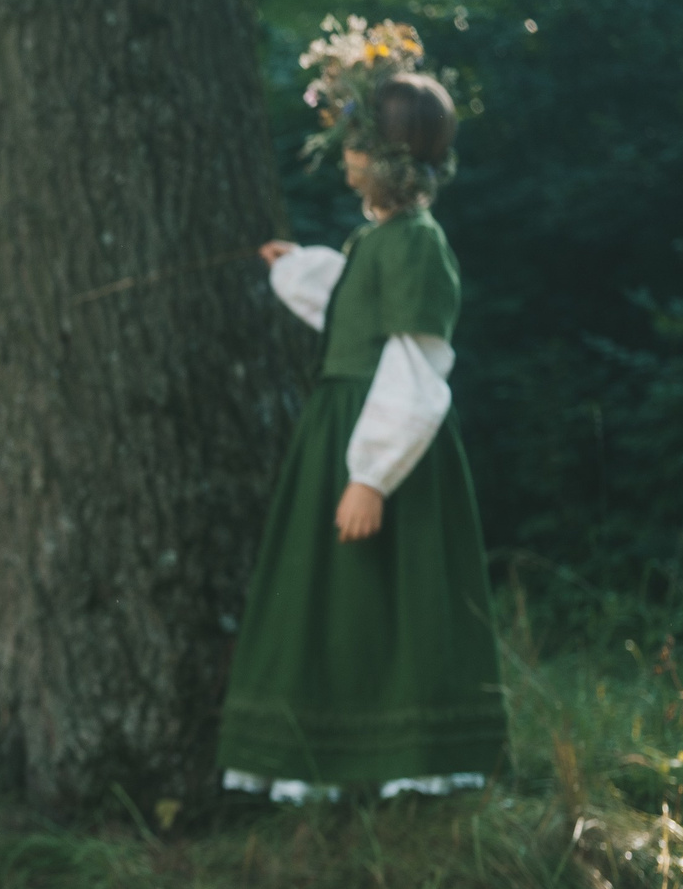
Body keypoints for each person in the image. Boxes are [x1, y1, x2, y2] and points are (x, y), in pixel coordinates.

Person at [218, 55, 508, 802]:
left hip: (384, 442)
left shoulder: (417, 242)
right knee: (334, 595)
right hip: (341, 429)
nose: (341, 157)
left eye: (351, 142)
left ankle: (417, 760)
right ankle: (325, 756)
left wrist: (371, 474)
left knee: (392, 594)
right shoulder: (377, 239)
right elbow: (354, 311)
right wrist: (298, 269)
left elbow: (415, 363)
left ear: (381, 157)